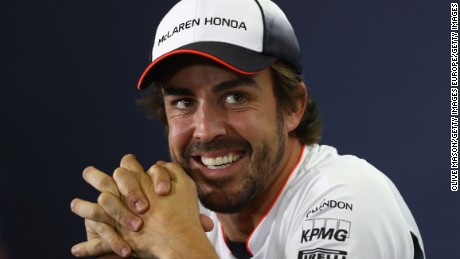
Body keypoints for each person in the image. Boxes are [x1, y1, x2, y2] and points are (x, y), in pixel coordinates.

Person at [70, 0, 426, 258]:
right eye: (183, 102)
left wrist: (180, 247)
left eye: (235, 96)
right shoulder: (172, 220)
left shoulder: (349, 197)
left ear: (292, 107)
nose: (206, 130)